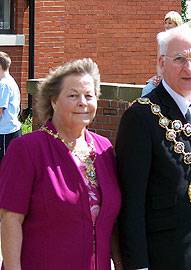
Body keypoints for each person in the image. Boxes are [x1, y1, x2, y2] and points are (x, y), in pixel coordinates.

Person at [115, 24, 191, 270]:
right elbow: (132, 202)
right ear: (161, 62)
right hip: (164, 256)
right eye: (179, 59)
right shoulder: (141, 116)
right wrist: (138, 265)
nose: (189, 68)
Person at [0, 58, 122, 270]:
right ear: (54, 101)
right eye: (73, 95)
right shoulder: (27, 149)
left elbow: (111, 224)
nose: (82, 102)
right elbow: (10, 219)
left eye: (89, 95)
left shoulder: (104, 149)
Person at [141, 11, 183, 97]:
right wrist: (159, 76)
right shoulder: (161, 40)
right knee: (147, 89)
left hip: (176, 76)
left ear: (177, 24)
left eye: (170, 23)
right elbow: (159, 61)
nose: (167, 25)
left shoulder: (182, 41)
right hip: (163, 75)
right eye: (165, 23)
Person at [0, 51, 21, 162]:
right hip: (11, 129)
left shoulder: (3, 84)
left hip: (4, 131)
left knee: (4, 165)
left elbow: (0, 110)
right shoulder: (10, 81)